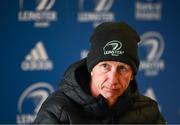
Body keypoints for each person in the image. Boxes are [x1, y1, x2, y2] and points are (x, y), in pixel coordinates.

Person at [34, 21, 166, 124]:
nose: (113, 79)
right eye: (105, 66)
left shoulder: (149, 113)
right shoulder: (57, 111)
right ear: (91, 69)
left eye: (122, 68)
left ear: (132, 75)